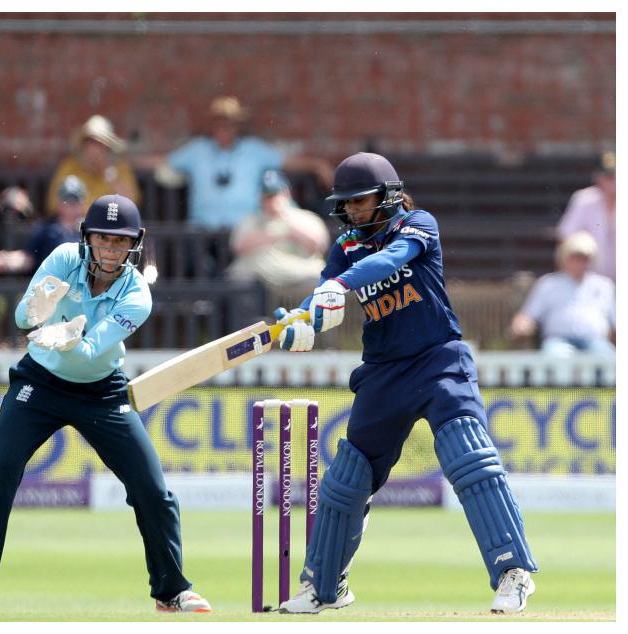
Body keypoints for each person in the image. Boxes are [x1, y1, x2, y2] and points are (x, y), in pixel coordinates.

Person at [273, 153, 538, 614]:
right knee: (347, 479)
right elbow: (324, 295)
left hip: (438, 360)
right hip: (383, 372)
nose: (352, 211)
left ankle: (513, 572)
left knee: (469, 458)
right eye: (346, 204)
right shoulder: (346, 247)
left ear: (389, 196)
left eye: (360, 201)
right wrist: (302, 320)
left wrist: (341, 285)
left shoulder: (418, 225)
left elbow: (392, 260)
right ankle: (325, 587)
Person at [0, 195, 211, 615]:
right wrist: (35, 312)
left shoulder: (137, 294)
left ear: (134, 244)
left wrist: (70, 338)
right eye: (103, 239)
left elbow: (91, 350)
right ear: (87, 238)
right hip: (39, 384)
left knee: (151, 489)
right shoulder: (62, 259)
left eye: (120, 242)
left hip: (101, 392)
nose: (110, 250)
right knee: (0, 474)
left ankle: (171, 590)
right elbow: (22, 320)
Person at [158, 96, 332, 229]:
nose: (224, 129)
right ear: (212, 125)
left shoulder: (254, 149)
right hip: (202, 227)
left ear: (237, 126)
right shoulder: (197, 149)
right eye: (220, 123)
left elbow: (285, 161)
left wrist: (316, 164)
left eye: (230, 123)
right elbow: (163, 161)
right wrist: (137, 161)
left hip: (243, 227)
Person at [226, 169, 331, 310]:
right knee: (239, 280)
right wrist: (272, 235)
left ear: (286, 194)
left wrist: (284, 218)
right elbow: (238, 247)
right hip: (261, 283)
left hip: (300, 278)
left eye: (275, 194)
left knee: (320, 285)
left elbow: (317, 244)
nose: (272, 200)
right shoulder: (250, 220)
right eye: (267, 196)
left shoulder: (305, 218)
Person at [509, 232, 615, 356]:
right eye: (575, 257)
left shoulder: (604, 285)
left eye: (584, 257)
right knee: (556, 356)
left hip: (596, 342)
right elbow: (528, 315)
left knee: (607, 356)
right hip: (557, 341)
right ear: (564, 258)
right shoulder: (548, 283)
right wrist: (521, 325)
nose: (580, 262)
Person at [0, 175, 88, 275]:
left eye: (75, 201)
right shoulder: (46, 229)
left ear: (83, 203)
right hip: (52, 281)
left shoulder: (89, 230)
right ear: (58, 203)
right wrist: (8, 261)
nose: (71, 206)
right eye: (67, 201)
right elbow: (28, 257)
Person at [46, 115, 140, 210]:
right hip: (78, 219)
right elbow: (53, 204)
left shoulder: (120, 168)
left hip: (109, 219)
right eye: (91, 142)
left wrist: (110, 175)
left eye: (100, 144)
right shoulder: (69, 167)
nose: (95, 149)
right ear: (83, 145)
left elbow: (131, 205)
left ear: (108, 147)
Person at [556, 151, 615, 280]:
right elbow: (566, 238)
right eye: (609, 178)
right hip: (589, 281)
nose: (614, 183)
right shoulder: (584, 200)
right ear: (598, 178)